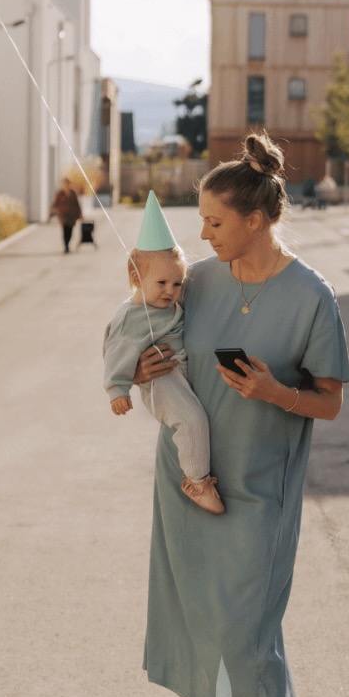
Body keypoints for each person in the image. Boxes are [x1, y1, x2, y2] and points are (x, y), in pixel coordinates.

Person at [132, 131, 349, 697]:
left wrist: (271, 390)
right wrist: (142, 364)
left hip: (259, 495)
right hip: (190, 489)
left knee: (251, 641)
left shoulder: (311, 296)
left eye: (214, 222)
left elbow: (328, 403)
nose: (202, 235)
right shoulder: (199, 282)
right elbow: (152, 340)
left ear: (254, 218)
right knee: (202, 626)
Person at [103, 191, 224, 515]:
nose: (170, 291)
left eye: (177, 283)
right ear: (135, 278)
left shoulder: (170, 303)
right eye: (161, 283)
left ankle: (197, 474)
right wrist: (118, 387)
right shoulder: (132, 316)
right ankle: (197, 482)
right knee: (192, 420)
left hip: (178, 372)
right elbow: (116, 349)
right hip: (161, 380)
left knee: (197, 417)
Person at [50, 177, 82, 253]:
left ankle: (68, 244)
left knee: (70, 231)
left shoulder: (73, 193)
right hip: (63, 216)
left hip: (72, 215)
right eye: (64, 184)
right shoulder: (60, 193)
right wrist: (53, 211)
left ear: (69, 184)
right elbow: (55, 203)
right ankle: (66, 246)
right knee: (64, 231)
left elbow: (77, 204)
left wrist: (80, 214)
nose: (65, 185)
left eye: (67, 184)